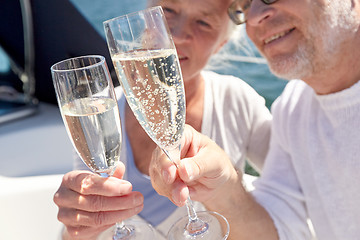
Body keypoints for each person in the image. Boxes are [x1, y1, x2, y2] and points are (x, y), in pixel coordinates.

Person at [53, 0, 272, 239]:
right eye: (168, 11)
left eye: (203, 22)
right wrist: (76, 230)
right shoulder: (100, 113)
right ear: (145, 19)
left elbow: (293, 186)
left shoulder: (236, 100)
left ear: (221, 44)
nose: (177, 35)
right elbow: (81, 225)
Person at [149, 0, 360, 239]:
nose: (254, 17)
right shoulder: (292, 110)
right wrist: (222, 186)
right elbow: (280, 230)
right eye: (245, 5)